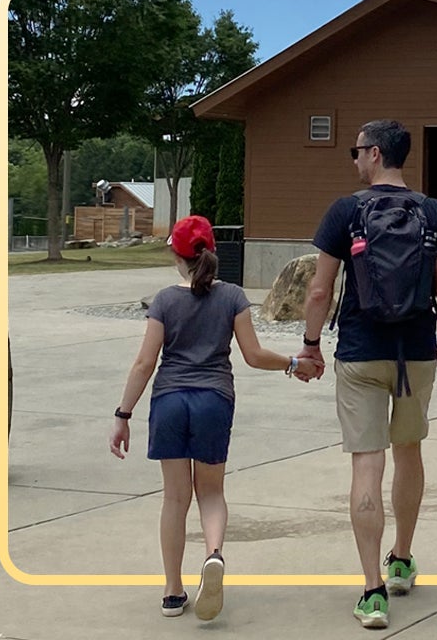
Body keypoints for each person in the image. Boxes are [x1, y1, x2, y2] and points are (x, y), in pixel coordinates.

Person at [298, 119, 437, 630]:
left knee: (365, 466)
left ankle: (372, 593)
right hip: (418, 352)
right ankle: (401, 559)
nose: (354, 160)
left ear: (375, 154)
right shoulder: (435, 212)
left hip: (360, 352)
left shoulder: (345, 211)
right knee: (409, 452)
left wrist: (311, 346)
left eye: (356, 151)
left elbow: (319, 290)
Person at [108, 214, 322, 621]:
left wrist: (123, 414)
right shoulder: (233, 298)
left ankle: (173, 592)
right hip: (213, 401)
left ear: (176, 254)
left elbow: (144, 363)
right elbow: (254, 355)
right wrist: (294, 362)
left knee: (174, 497)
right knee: (210, 492)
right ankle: (214, 555)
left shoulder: (165, 301)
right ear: (212, 252)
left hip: (170, 402)